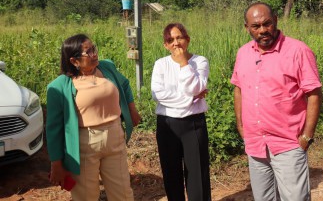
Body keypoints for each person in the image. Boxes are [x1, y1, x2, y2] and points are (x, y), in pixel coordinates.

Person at [231, 2, 322, 200]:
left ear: (276, 21)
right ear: (247, 28)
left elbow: (314, 93)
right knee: (263, 198)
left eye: (267, 24)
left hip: (288, 144)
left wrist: (306, 137)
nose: (263, 30)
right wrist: (240, 126)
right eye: (256, 26)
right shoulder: (243, 53)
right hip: (255, 144)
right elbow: (238, 89)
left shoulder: (298, 51)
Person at [46, 33, 141, 201]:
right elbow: (54, 128)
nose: (94, 54)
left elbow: (124, 84)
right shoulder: (59, 86)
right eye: (88, 52)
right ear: (74, 61)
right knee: (86, 195)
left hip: (114, 136)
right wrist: (56, 163)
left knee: (123, 193)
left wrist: (132, 110)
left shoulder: (106, 67)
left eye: (93, 49)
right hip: (84, 143)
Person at [151, 23, 211, 201]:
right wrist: (190, 99)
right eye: (170, 40)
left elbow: (196, 86)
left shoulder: (200, 61)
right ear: (165, 45)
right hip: (167, 124)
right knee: (171, 173)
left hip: (193, 123)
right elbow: (158, 94)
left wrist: (184, 63)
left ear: (187, 40)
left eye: (179, 38)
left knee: (197, 173)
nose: (175, 43)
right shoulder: (161, 64)